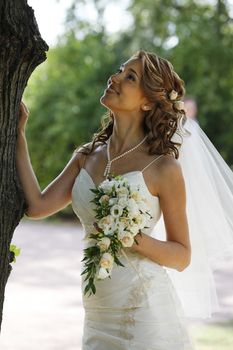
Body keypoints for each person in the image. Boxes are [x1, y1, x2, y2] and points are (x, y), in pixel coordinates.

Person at [17, 50, 224, 349]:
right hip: (97, 313)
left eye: (130, 77)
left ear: (147, 101)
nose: (115, 78)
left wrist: (132, 237)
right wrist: (19, 135)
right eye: (120, 70)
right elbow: (36, 206)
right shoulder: (86, 156)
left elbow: (181, 255)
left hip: (145, 315)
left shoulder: (164, 167)